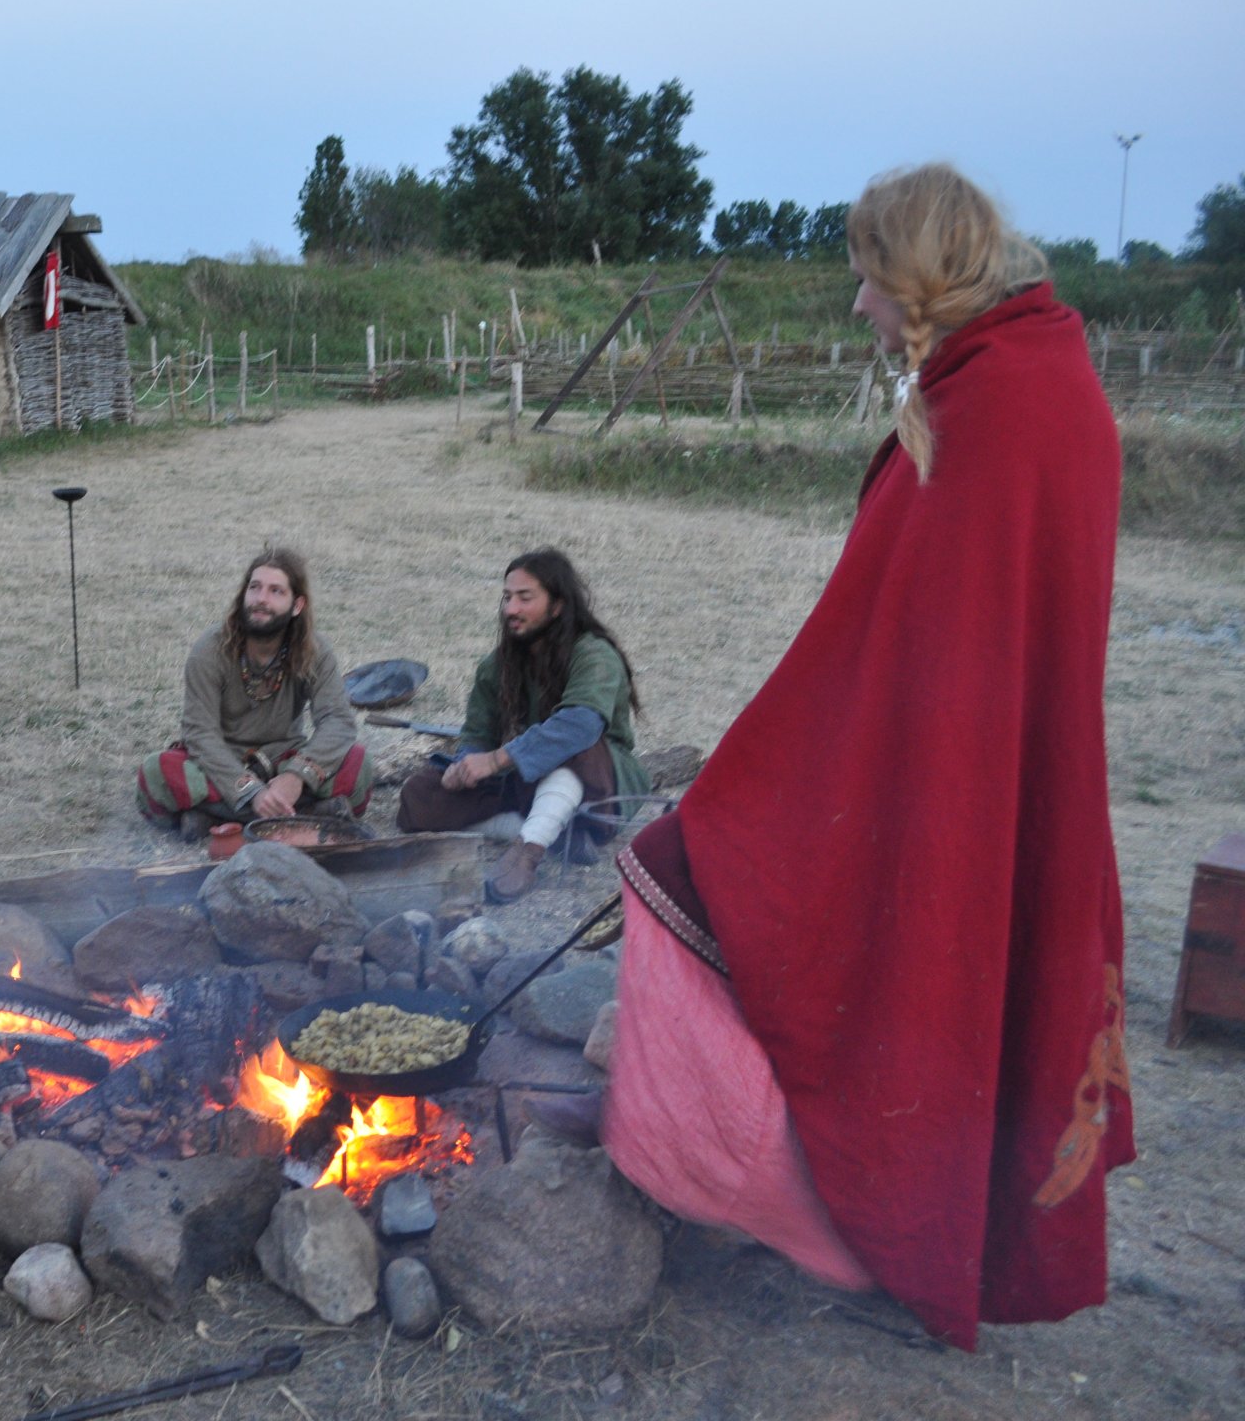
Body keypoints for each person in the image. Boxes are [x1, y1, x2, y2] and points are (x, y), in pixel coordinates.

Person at [595, 164, 1133, 1351]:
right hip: (978, 767)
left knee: (718, 884)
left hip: (947, 782)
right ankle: (914, 1233)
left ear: (916, 279)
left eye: (862, 281)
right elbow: (904, 631)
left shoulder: (990, 407)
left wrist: (736, 798)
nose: (854, 308)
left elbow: (877, 652)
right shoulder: (1041, 376)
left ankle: (854, 1226)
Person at [396, 549, 647, 903]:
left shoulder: (594, 654)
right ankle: (554, 832)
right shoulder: (497, 665)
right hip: (527, 782)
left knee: (574, 743)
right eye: (507, 597)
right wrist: (467, 765)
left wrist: (496, 761)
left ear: (557, 605)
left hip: (598, 787)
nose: (510, 609)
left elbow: (579, 725)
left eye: (524, 598)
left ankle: (529, 849)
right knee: (418, 797)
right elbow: (478, 733)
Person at [136, 547, 372, 834]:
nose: (261, 599)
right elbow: (200, 733)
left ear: (297, 605)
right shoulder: (210, 650)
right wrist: (250, 791)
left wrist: (298, 775)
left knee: (358, 767)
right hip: (224, 763)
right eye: (255, 587)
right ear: (243, 595)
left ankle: (215, 817)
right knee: (156, 773)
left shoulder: (315, 651)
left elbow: (338, 721)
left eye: (276, 591)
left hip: (285, 760)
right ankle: (302, 813)